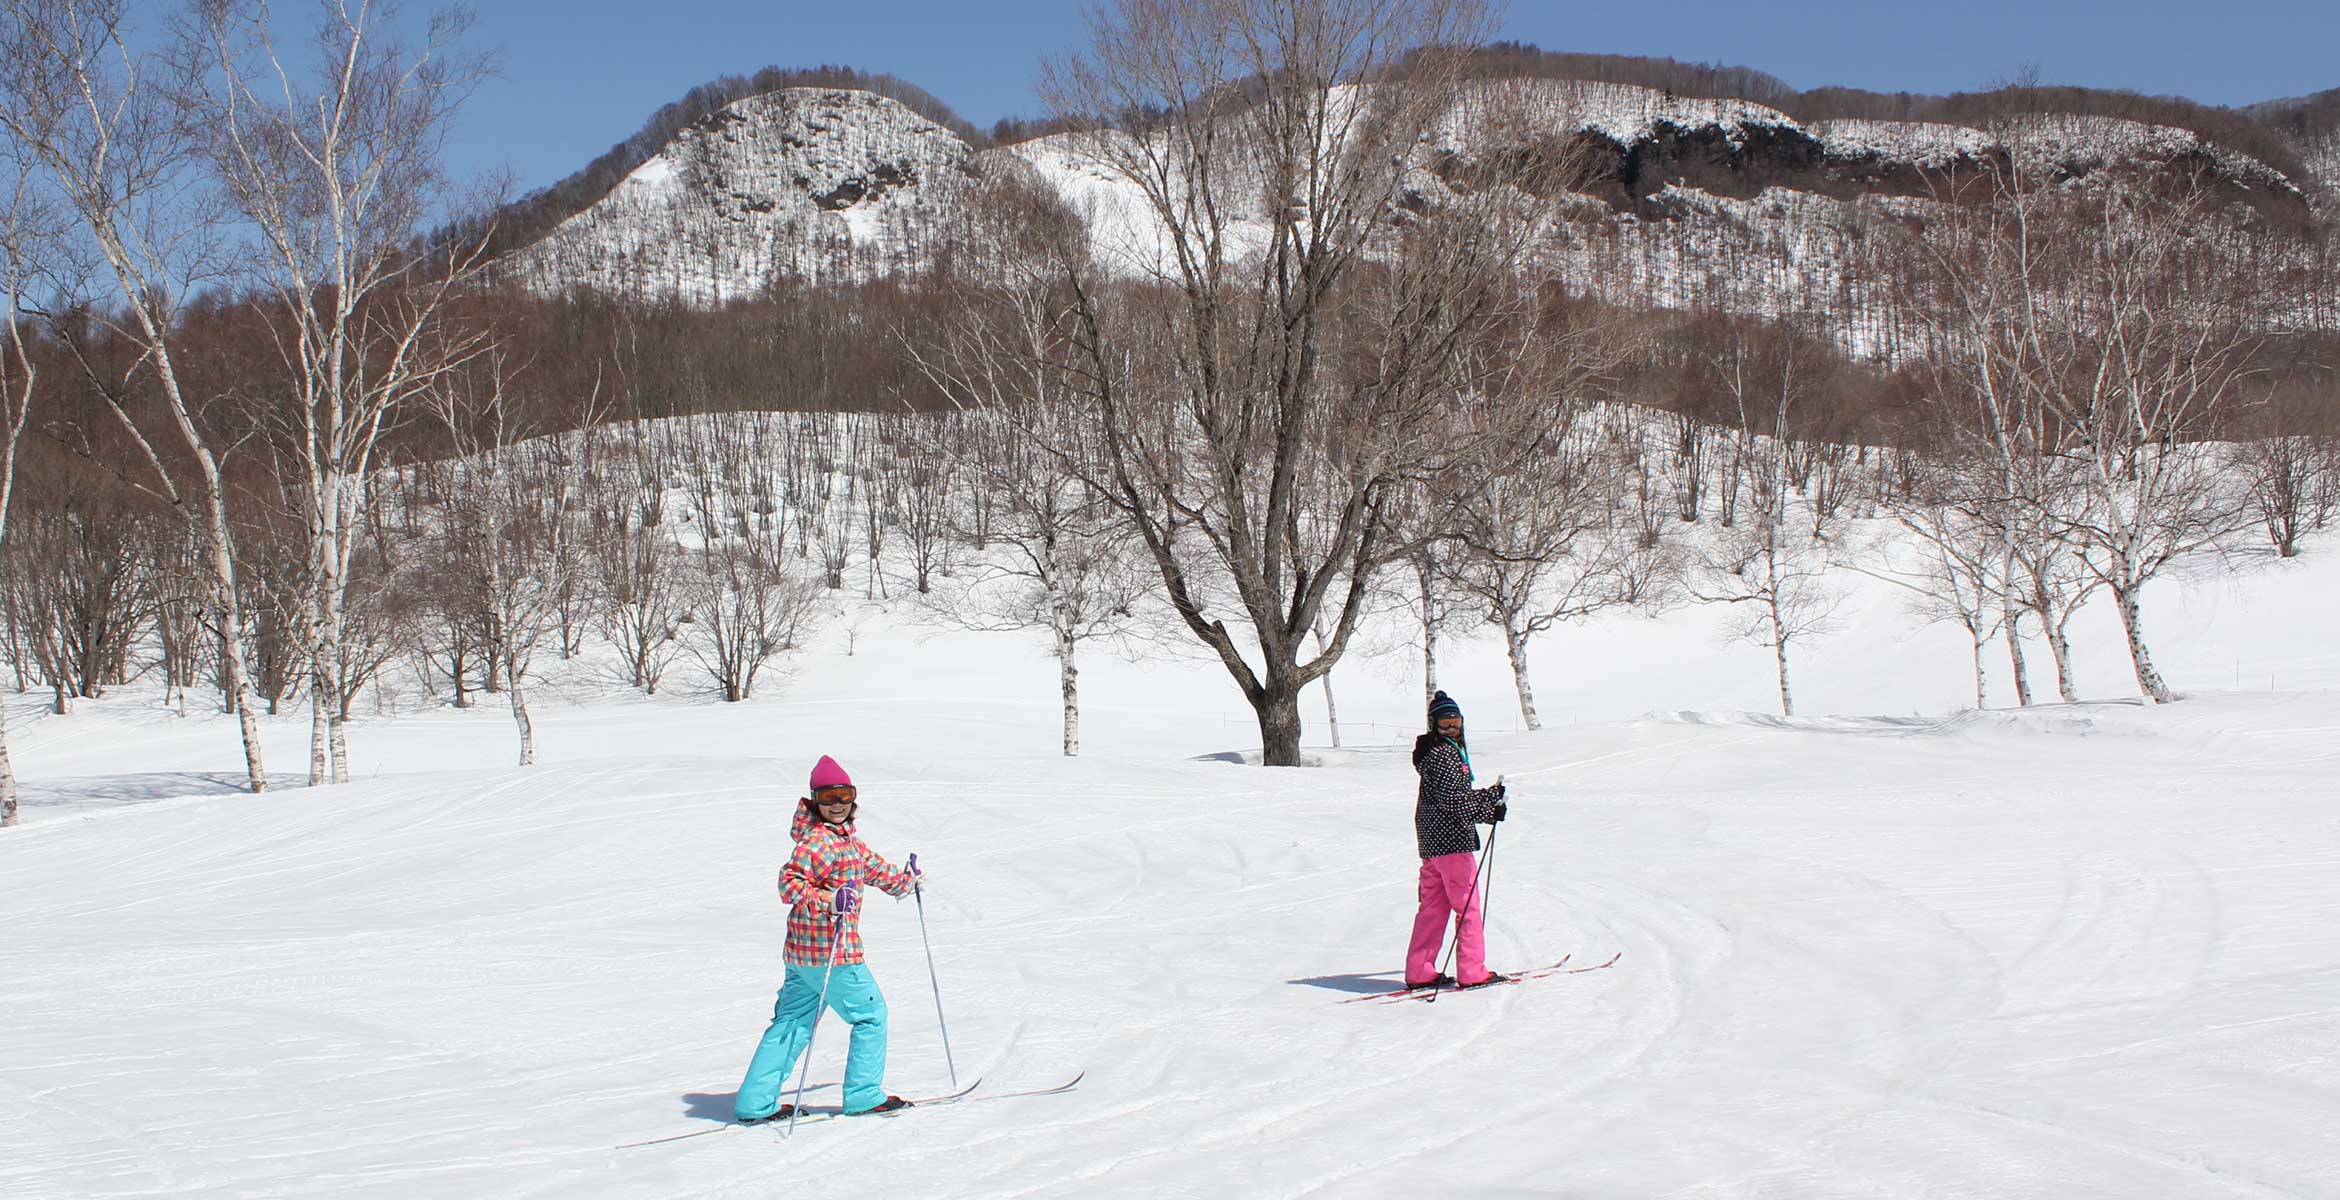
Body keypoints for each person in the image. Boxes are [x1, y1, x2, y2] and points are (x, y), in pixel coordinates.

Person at [733, 755, 924, 1122]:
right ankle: (864, 1096)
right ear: (814, 801)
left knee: (792, 1023)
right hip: (833, 954)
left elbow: (875, 869)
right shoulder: (819, 842)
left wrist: (907, 881)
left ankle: (754, 1103)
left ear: (854, 799)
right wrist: (827, 901)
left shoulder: (846, 842)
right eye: (827, 797)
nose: (837, 805)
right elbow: (789, 884)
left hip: (802, 958)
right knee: (870, 1016)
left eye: (844, 795)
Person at [1406, 691, 1508, 989]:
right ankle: (1472, 971)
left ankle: (1420, 970)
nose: (1452, 729)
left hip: (1432, 842)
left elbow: (1450, 798)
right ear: (1433, 724)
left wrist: (1487, 800)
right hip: (1451, 842)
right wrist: (1490, 804)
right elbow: (1454, 801)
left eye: (1456, 722)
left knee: (1433, 907)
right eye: (1445, 724)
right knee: (1468, 906)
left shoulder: (1432, 754)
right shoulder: (1445, 755)